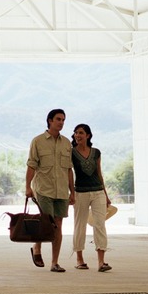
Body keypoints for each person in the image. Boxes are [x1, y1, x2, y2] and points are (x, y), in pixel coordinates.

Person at [25, 109, 75, 272]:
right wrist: (27, 187)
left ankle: (55, 262)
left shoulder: (67, 143)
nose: (61, 122)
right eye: (58, 119)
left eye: (63, 120)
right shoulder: (38, 141)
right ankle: (37, 248)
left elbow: (69, 169)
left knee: (58, 225)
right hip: (43, 189)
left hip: (61, 191)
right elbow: (32, 165)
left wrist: (72, 192)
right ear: (50, 120)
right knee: (46, 222)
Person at [71, 123, 112, 272]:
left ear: (88, 135)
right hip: (80, 193)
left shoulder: (96, 152)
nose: (78, 135)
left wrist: (106, 195)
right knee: (79, 225)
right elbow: (69, 174)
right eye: (76, 133)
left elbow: (99, 174)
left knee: (99, 225)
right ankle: (79, 259)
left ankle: (101, 262)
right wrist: (71, 192)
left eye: (81, 133)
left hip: (98, 192)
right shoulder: (71, 153)